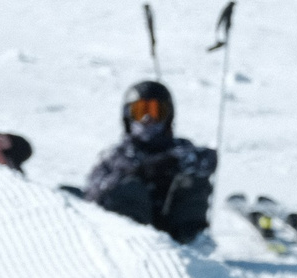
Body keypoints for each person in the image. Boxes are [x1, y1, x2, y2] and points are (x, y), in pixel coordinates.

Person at [80, 80, 218, 244]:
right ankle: (136, 239)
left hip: (175, 229)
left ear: (167, 116)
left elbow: (207, 161)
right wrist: (133, 173)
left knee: (190, 180)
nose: (147, 119)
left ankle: (193, 240)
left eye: (155, 111)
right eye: (140, 111)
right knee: (130, 187)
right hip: (133, 236)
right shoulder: (118, 156)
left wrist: (174, 165)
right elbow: (92, 191)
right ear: (128, 117)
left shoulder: (179, 149)